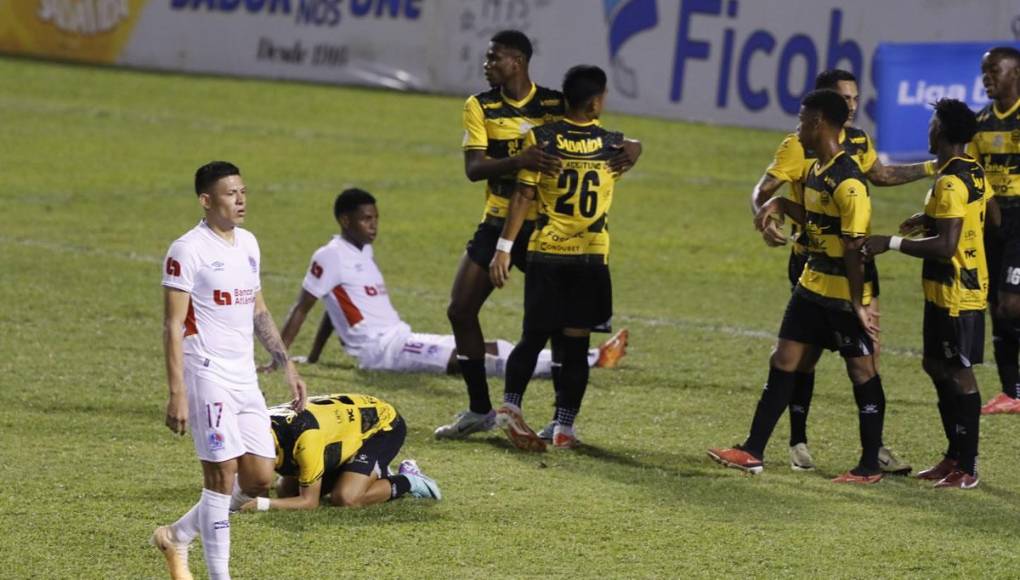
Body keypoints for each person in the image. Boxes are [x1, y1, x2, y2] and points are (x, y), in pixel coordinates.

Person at [441, 30, 641, 440]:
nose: (486, 65)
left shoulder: (552, 103)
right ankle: (480, 409)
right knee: (460, 309)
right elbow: (474, 169)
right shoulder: (480, 106)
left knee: (558, 326)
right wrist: (520, 159)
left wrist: (632, 149)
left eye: (494, 58)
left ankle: (560, 421)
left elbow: (590, 129)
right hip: (499, 220)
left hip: (547, 228)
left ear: (517, 61)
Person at [272, 189, 628, 392]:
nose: (374, 225)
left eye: (376, 218)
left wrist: (314, 357)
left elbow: (333, 310)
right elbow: (303, 307)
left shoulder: (361, 251)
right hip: (381, 351)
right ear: (345, 220)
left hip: (399, 337)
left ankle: (581, 357)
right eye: (366, 219)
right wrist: (281, 359)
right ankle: (588, 359)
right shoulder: (330, 255)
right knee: (464, 359)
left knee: (483, 346)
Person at [749, 69, 924, 473]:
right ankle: (789, 442)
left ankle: (872, 454)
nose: (852, 106)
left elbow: (860, 224)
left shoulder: (854, 155)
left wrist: (934, 167)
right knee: (796, 357)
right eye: (845, 99)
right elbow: (771, 195)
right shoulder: (804, 154)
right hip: (811, 265)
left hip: (849, 270)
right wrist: (771, 212)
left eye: (855, 98)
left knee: (864, 359)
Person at [709, 90, 886, 483]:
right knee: (784, 358)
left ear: (819, 123)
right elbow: (816, 221)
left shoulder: (850, 183)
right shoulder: (816, 169)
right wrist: (781, 206)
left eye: (802, 120)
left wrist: (859, 303)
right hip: (811, 284)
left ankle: (870, 465)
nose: (797, 128)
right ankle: (752, 450)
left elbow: (855, 248)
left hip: (842, 293)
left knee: (862, 372)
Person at [151, 161, 308, 580]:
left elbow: (258, 309)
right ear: (206, 200)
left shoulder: (248, 243)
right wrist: (177, 393)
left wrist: (287, 365)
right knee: (220, 477)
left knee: (257, 478)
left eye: (243, 192)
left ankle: (178, 535)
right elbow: (172, 325)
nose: (240, 200)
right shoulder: (187, 250)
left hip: (244, 377)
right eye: (230, 193)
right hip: (206, 374)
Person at [489, 64, 626, 451]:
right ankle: (564, 427)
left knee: (533, 336)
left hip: (546, 253)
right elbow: (633, 148)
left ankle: (511, 404)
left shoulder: (542, 140)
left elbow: (523, 196)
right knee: (576, 346)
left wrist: (503, 248)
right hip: (589, 257)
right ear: (595, 102)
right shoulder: (614, 146)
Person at [863, 99, 988, 489]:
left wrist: (890, 242)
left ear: (944, 132)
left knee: (959, 373)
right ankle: (953, 455)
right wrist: (932, 219)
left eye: (934, 123)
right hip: (941, 290)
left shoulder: (950, 181)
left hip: (957, 292)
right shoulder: (971, 170)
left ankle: (967, 466)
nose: (929, 129)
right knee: (935, 365)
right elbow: (989, 216)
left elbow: (946, 247)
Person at [237, 393, 440, 510]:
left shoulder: (305, 440)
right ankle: (369, 472)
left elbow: (309, 503)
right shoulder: (257, 428)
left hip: (381, 428)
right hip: (340, 430)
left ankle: (410, 480)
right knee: (286, 491)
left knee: (346, 498)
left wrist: (263, 504)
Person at [968, 47, 1020, 414]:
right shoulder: (980, 122)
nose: (987, 78)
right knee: (997, 307)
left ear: (1016, 73)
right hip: (992, 221)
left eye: (994, 71)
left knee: (1012, 303)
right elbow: (972, 173)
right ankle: (1011, 392)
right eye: (984, 72)